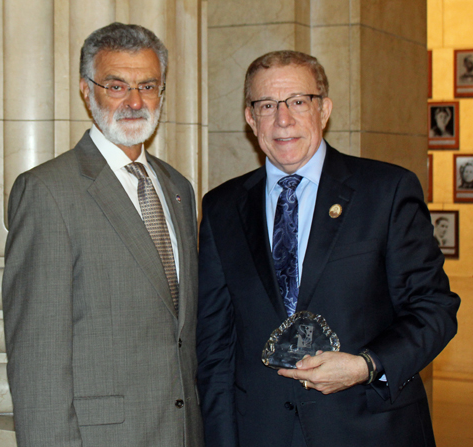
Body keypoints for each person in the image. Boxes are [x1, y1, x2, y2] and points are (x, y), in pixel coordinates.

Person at [196, 50, 460, 447]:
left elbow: (434, 309)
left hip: (370, 428)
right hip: (262, 432)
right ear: (251, 119)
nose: (283, 120)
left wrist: (365, 365)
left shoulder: (386, 191)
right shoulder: (221, 207)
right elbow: (215, 347)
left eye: (299, 102)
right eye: (267, 105)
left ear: (325, 110)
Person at [2, 23, 203, 447]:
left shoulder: (177, 188)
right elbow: (38, 356)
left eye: (147, 85)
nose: (134, 101)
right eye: (117, 85)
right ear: (86, 90)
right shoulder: (48, 191)